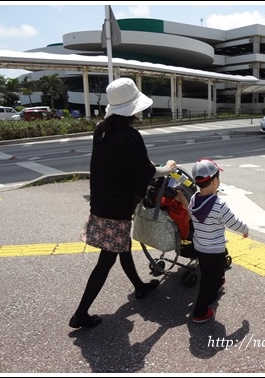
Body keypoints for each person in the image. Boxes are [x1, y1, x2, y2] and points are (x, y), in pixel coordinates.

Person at [69, 77, 178, 329]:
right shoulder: (129, 136)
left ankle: (139, 286)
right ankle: (80, 314)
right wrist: (167, 168)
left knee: (121, 245)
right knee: (106, 260)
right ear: (133, 109)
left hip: (101, 201)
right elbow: (145, 172)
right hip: (117, 207)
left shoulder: (102, 129)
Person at [188, 158, 249, 323]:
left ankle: (218, 278)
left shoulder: (193, 199)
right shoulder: (218, 204)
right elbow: (233, 222)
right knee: (209, 281)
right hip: (214, 248)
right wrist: (245, 229)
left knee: (212, 268)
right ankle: (200, 312)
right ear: (215, 181)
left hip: (200, 246)